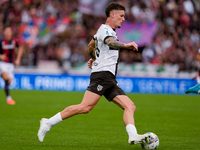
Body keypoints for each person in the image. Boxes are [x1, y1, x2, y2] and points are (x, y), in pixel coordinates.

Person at [37, 2, 153, 145]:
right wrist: (125, 45)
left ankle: (133, 136)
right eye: (121, 16)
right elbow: (110, 42)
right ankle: (48, 122)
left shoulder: (104, 30)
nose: (123, 19)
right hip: (102, 75)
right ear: (112, 15)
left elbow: (91, 45)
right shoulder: (106, 30)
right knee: (85, 107)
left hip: (108, 77)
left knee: (130, 106)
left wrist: (94, 57)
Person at [0, 26, 23, 105]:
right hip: (2, 64)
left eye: (9, 31)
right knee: (6, 78)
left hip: (11, 65)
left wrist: (18, 59)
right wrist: (0, 56)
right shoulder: (1, 41)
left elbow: (20, 49)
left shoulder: (14, 41)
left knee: (9, 82)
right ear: (4, 33)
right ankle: (8, 98)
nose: (8, 33)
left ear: (11, 33)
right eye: (6, 31)